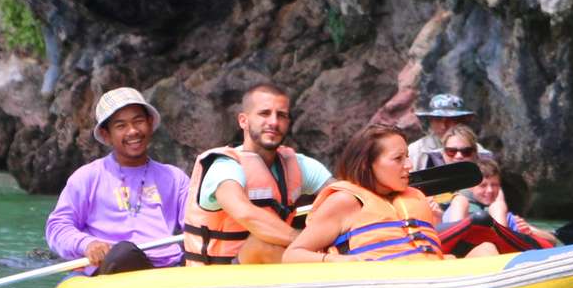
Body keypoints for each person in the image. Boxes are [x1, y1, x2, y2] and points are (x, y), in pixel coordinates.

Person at [285, 125, 496, 262]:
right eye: (398, 159)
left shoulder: (413, 198)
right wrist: (334, 260)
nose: (409, 165)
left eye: (407, 156)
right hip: (385, 285)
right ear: (368, 164)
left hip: (428, 277)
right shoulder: (345, 201)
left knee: (486, 249)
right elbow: (292, 255)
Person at [45, 88, 191, 275]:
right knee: (125, 252)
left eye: (138, 121)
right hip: (114, 265)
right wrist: (87, 244)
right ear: (106, 135)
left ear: (150, 123)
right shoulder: (87, 177)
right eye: (121, 126)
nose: (132, 131)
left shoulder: (175, 178)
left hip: (167, 266)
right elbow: (57, 227)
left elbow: (195, 224)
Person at [183, 84, 331, 265]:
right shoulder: (224, 166)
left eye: (282, 115)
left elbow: (342, 194)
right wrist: (306, 242)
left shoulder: (298, 164)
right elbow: (245, 212)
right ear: (243, 121)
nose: (274, 122)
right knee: (262, 243)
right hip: (218, 278)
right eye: (264, 113)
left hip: (270, 269)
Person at [444, 156, 557, 245]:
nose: (490, 190)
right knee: (460, 201)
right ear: (471, 187)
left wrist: (528, 232)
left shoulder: (505, 215)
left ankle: (501, 238)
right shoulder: (458, 206)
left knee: (497, 208)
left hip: (497, 251)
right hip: (459, 246)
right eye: (483, 186)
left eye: (494, 185)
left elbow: (552, 240)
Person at [403, 93, 485, 171]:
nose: (444, 126)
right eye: (438, 120)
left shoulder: (477, 150)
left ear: (461, 121)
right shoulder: (416, 150)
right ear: (430, 121)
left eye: (450, 120)